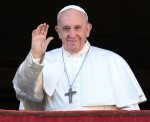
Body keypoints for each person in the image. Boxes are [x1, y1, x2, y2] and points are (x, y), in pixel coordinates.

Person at [12, 5, 147, 111]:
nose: (72, 34)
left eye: (77, 28)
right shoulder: (45, 60)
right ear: (58, 31)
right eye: (66, 28)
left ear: (87, 29)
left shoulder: (112, 60)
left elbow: (131, 112)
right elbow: (24, 93)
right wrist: (36, 56)